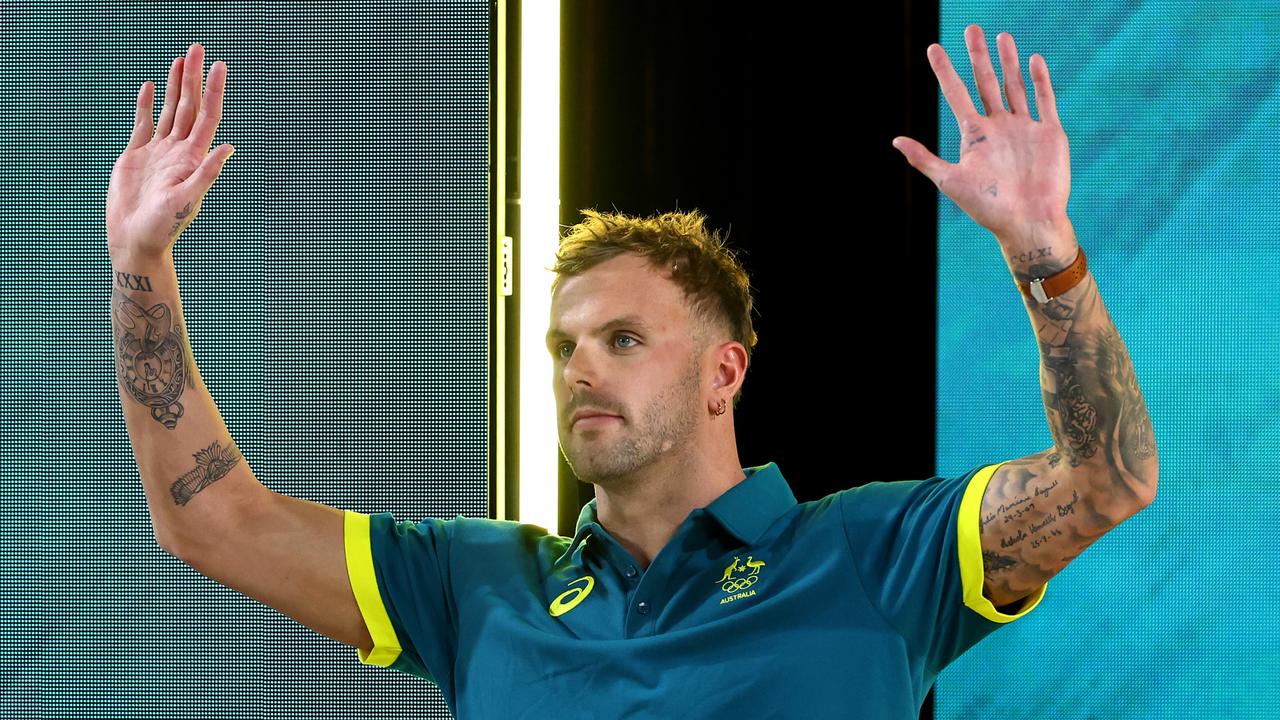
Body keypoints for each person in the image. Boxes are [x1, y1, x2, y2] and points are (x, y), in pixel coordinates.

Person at [108, 25, 1157, 719]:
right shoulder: (473, 585)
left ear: (722, 372)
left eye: (621, 340)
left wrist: (1041, 249)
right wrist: (141, 265)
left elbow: (1106, 482)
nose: (576, 371)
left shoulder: (880, 553)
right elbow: (209, 519)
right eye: (563, 347)